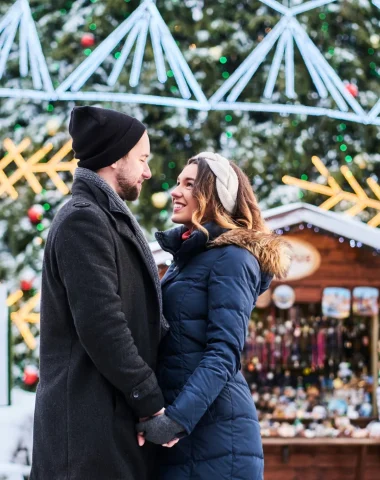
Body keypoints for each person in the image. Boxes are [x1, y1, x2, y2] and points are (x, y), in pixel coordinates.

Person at [30, 106, 169, 480]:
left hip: (104, 426)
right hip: (85, 436)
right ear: (114, 158)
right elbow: (101, 323)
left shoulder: (102, 216)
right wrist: (148, 399)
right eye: (142, 159)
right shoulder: (83, 219)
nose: (147, 171)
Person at [138, 152, 291, 479]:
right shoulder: (189, 259)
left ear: (215, 197)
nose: (175, 192)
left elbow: (224, 353)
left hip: (218, 438)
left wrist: (177, 420)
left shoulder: (232, 258)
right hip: (188, 432)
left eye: (189, 184)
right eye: (178, 183)